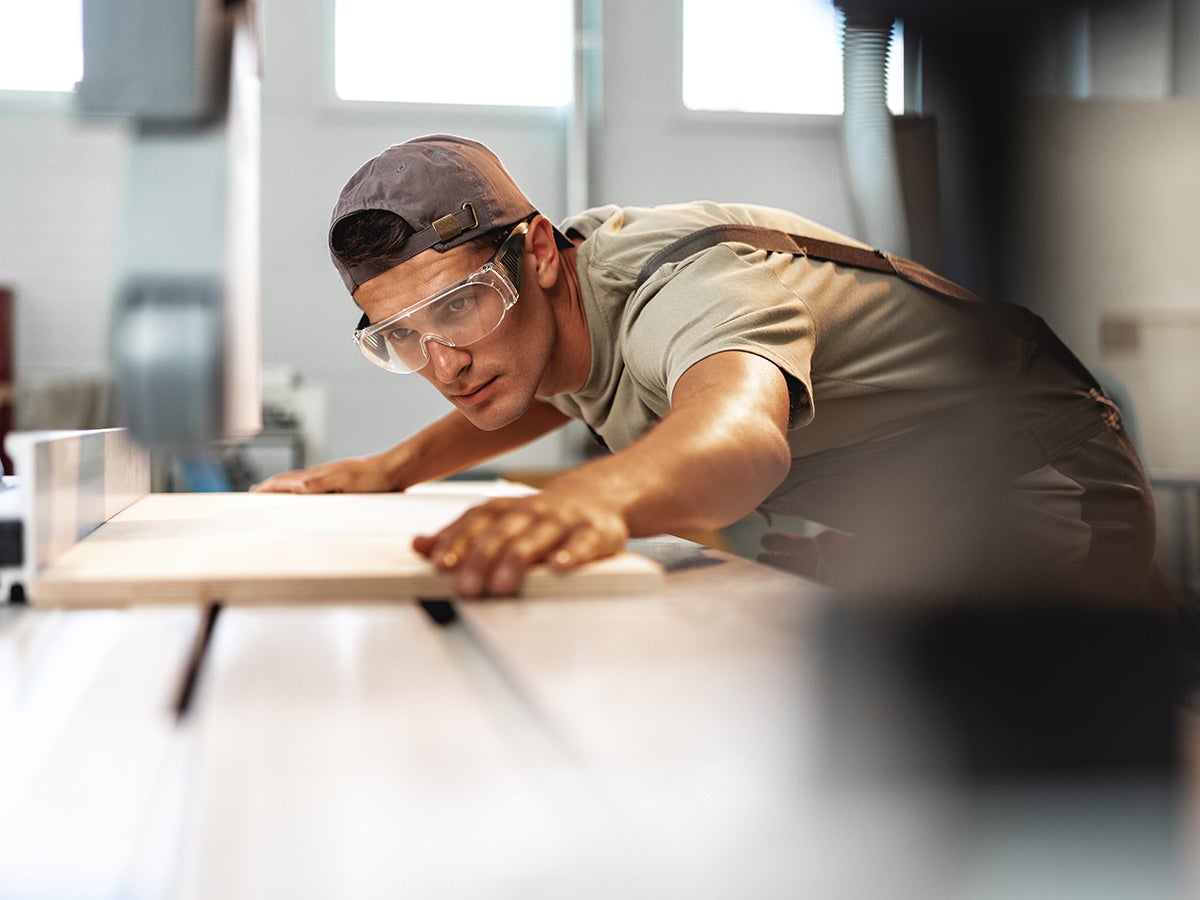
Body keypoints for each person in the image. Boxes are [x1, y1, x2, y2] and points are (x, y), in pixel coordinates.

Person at [254, 133, 1161, 605]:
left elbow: (740, 439)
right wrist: (393, 471)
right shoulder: (548, 317)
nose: (445, 362)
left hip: (1040, 481)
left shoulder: (685, 287)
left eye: (457, 304)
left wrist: (594, 499)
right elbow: (546, 390)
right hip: (909, 497)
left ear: (536, 251)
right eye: (402, 335)